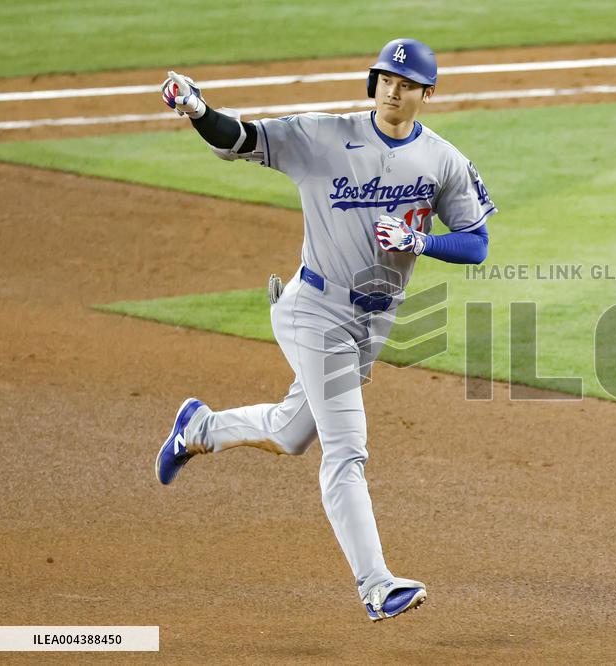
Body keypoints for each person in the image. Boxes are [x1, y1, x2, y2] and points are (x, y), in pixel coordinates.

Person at [154, 38, 496, 621]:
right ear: (373, 82)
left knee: (291, 433)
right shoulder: (322, 136)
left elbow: (477, 243)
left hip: (373, 322)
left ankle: (199, 428)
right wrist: (197, 110)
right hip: (314, 310)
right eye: (385, 79)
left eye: (407, 84)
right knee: (347, 449)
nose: (393, 91)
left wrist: (421, 241)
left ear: (427, 93)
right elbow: (241, 138)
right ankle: (376, 586)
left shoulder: (443, 160)